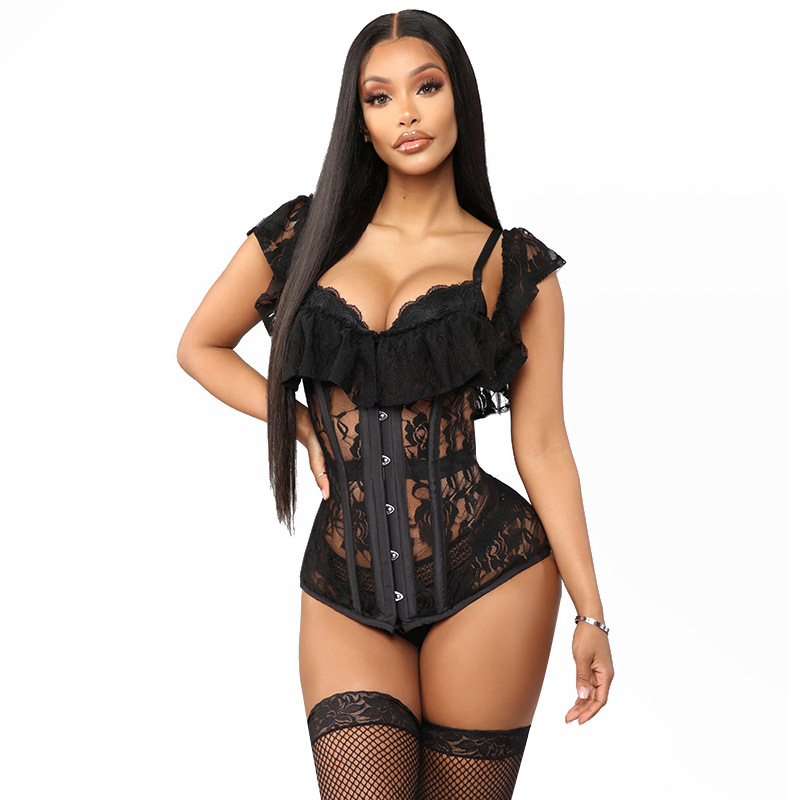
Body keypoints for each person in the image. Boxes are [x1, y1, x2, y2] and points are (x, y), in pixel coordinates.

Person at [177, 9, 614, 799]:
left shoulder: (512, 265)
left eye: (427, 87)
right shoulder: (301, 235)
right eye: (379, 97)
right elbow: (199, 346)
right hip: (344, 588)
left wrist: (591, 614)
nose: (406, 114)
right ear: (361, 121)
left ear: (460, 100)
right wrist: (298, 423)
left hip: (491, 579)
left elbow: (544, 446)